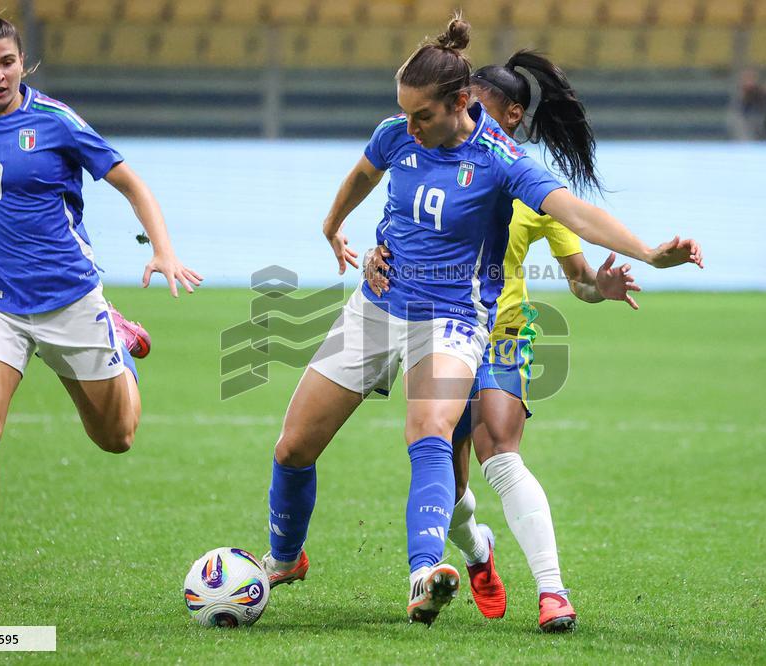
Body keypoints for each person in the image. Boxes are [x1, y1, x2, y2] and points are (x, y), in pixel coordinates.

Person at [261, 16, 701, 626]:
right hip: (377, 305)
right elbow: (364, 172)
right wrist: (332, 227)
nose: (409, 129)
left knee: (430, 433)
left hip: (452, 320)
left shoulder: (501, 161)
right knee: (293, 447)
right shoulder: (398, 135)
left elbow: (571, 209)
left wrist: (649, 253)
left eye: (422, 117)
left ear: (461, 103)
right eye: (404, 115)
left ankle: (424, 573)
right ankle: (284, 558)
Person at [0, 0, 202, 602]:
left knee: (117, 437)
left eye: (8, 63)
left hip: (69, 299)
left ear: (22, 62)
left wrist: (163, 251)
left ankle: (116, 333)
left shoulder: (58, 121)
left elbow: (130, 180)